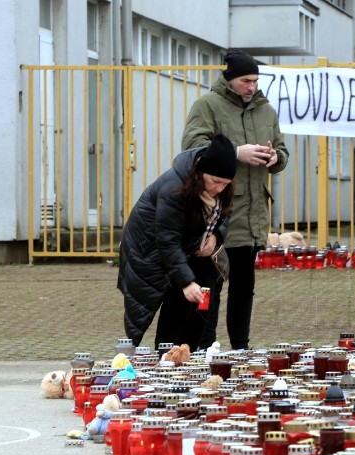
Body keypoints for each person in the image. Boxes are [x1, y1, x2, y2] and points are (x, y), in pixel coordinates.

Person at [182, 50, 289, 350]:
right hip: (216, 214)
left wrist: (275, 157)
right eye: (245, 80)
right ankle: (205, 347)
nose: (251, 87)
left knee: (244, 287)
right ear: (230, 79)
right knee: (210, 287)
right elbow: (191, 148)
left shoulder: (266, 111)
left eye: (255, 80)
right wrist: (236, 153)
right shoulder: (207, 105)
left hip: (252, 215)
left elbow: (282, 152)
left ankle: (240, 348)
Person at [117, 134, 237, 351]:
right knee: (179, 299)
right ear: (201, 172)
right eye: (215, 182)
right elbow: (167, 240)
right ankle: (166, 355)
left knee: (203, 297)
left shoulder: (223, 187)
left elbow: (225, 213)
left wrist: (216, 236)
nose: (219, 188)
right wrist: (186, 282)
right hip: (150, 250)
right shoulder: (175, 188)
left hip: (192, 248)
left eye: (225, 184)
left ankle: (190, 352)